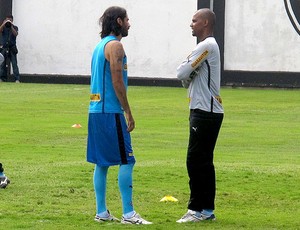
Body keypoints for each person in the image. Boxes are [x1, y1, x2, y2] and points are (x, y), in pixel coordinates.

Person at [86, 6, 152, 225]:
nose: (130, 23)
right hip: (111, 112)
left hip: (96, 111)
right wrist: (127, 111)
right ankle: (128, 214)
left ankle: (101, 212)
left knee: (102, 163)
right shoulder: (116, 46)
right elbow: (116, 81)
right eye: (127, 19)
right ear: (119, 21)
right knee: (127, 160)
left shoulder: (99, 46)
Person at [176, 8, 224, 223]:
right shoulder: (206, 47)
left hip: (205, 112)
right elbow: (188, 76)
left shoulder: (207, 46)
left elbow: (181, 73)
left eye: (194, 20)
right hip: (204, 111)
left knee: (195, 161)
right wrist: (190, 73)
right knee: (204, 162)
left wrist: (189, 72)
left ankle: (195, 210)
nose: (191, 24)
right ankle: (207, 209)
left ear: (205, 22)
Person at [0, 15, 20, 83]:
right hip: (4, 48)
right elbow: (0, 30)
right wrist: (3, 24)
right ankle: (2, 78)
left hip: (12, 48)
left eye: (10, 20)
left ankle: (17, 79)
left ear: (12, 20)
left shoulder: (15, 27)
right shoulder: (4, 27)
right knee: (2, 64)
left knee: (14, 64)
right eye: (7, 20)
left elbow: (15, 34)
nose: (8, 21)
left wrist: (11, 26)